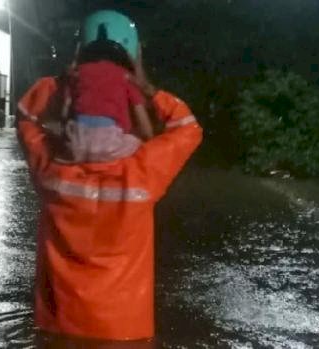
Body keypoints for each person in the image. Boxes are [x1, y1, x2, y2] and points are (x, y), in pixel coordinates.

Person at [17, 10, 203, 347]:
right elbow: (188, 127)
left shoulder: (51, 171)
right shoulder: (144, 174)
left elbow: (26, 115)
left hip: (58, 328)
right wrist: (146, 87)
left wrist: (61, 83)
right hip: (125, 332)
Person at [52, 10, 154, 164]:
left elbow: (63, 115)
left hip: (76, 148)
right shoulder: (126, 78)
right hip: (113, 151)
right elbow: (147, 131)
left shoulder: (76, 76)